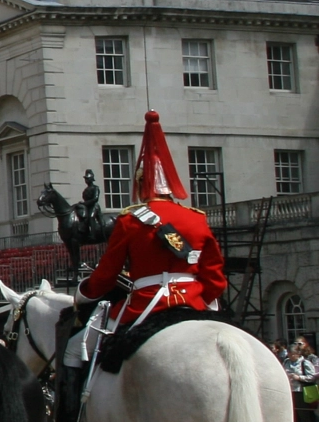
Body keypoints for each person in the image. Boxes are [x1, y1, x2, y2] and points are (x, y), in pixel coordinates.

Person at [74, 111, 226, 334]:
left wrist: (85, 292)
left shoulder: (129, 220)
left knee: (80, 348)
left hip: (145, 303)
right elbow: (214, 274)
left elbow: (108, 272)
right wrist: (203, 298)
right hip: (193, 300)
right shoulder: (197, 218)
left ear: (140, 183)